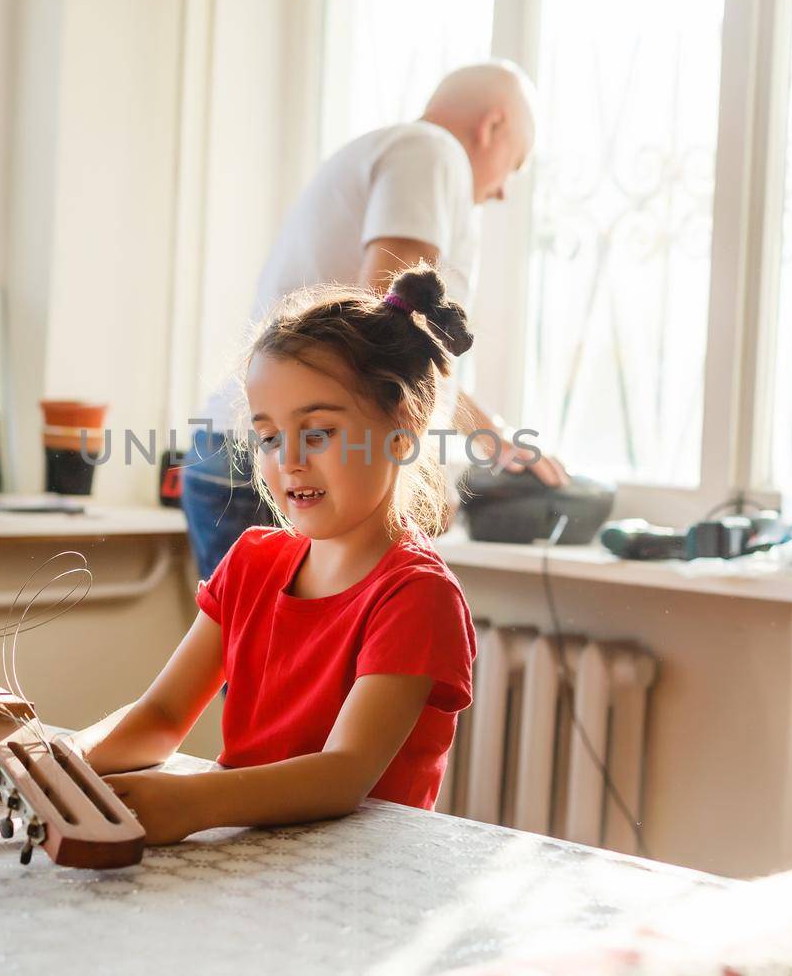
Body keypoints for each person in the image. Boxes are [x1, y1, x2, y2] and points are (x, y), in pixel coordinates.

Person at [69, 268, 478, 844]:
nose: (288, 459)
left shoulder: (416, 595)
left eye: (317, 432)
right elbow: (162, 716)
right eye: (267, 437)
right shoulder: (252, 562)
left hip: (362, 882)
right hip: (249, 859)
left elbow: (342, 775)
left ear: (402, 433)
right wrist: (64, 758)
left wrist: (191, 801)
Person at [181, 60, 570, 580]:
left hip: (260, 453)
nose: (502, 191)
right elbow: (377, 338)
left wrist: (488, 433)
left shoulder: (399, 153)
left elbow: (396, 325)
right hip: (278, 465)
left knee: (261, 661)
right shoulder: (433, 153)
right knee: (284, 662)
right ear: (492, 126)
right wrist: (421, 481)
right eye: (516, 164)